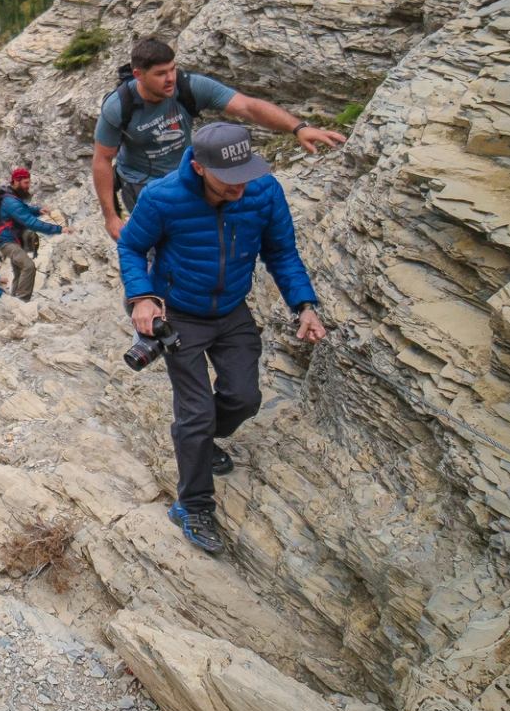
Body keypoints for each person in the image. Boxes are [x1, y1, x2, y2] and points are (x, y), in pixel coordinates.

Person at [116, 122, 327, 557]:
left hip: (231, 310)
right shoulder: (162, 197)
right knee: (193, 414)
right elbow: (132, 248)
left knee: (245, 397)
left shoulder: (264, 192)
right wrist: (141, 298)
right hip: (179, 316)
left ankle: (204, 441)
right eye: (229, 179)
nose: (240, 187)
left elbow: (282, 252)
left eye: (245, 174)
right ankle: (192, 506)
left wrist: (304, 306)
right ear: (198, 166)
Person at [94, 37, 347, 241]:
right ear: (139, 75)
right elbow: (103, 160)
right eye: (161, 73)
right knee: (157, 245)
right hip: (141, 184)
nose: (170, 78)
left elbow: (247, 107)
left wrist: (298, 128)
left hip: (186, 173)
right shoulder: (119, 106)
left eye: (173, 69)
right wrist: (111, 217)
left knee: (203, 235)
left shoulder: (188, 87)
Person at [0, 167, 62, 300]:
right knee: (28, 266)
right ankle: (21, 301)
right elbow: (30, 222)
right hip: (7, 242)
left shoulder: (11, 195)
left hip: (8, 239)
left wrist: (38, 210)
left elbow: (24, 209)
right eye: (26, 183)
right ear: (16, 181)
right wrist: (59, 229)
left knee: (19, 271)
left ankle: (13, 300)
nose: (28, 186)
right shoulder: (10, 200)